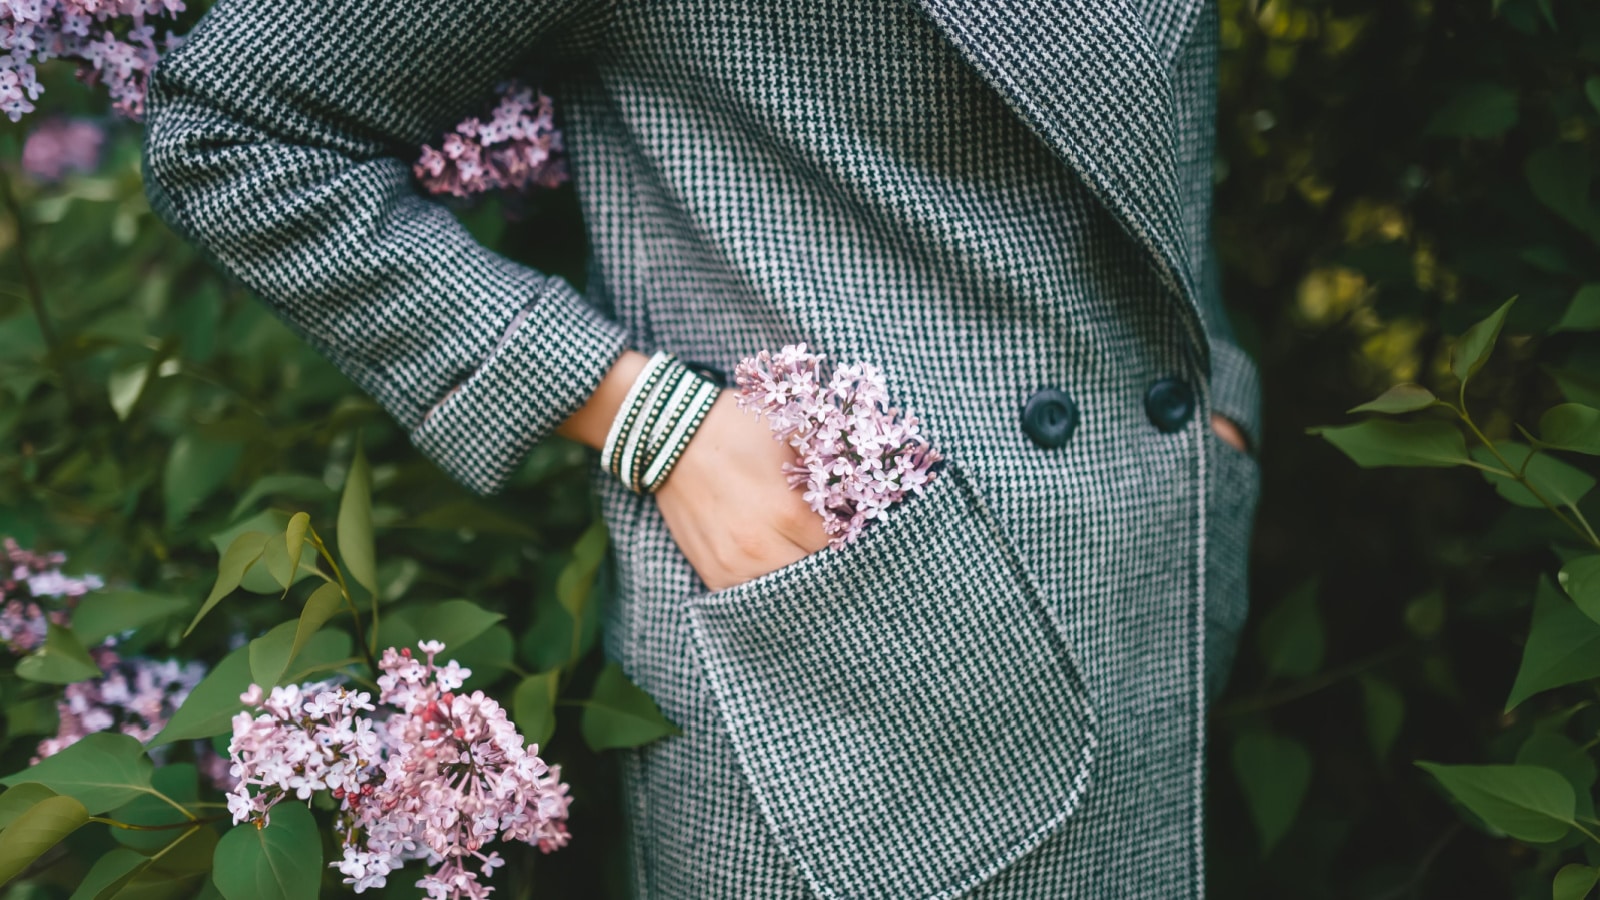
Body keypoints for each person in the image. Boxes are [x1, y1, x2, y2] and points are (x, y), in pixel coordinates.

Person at [140, 0, 1262, 896]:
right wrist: (641, 416)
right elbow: (238, 131)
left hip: (1148, 573)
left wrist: (1218, 390)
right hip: (852, 649)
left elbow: (1121, 155)